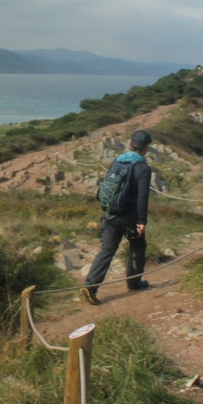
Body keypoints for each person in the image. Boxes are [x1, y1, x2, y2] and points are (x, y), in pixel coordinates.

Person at [80, 129, 154, 305]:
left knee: (107, 250)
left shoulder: (118, 160)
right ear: (146, 147)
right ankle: (134, 282)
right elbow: (143, 197)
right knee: (137, 245)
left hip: (109, 215)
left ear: (130, 144)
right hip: (129, 217)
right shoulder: (142, 167)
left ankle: (90, 286)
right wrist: (141, 221)